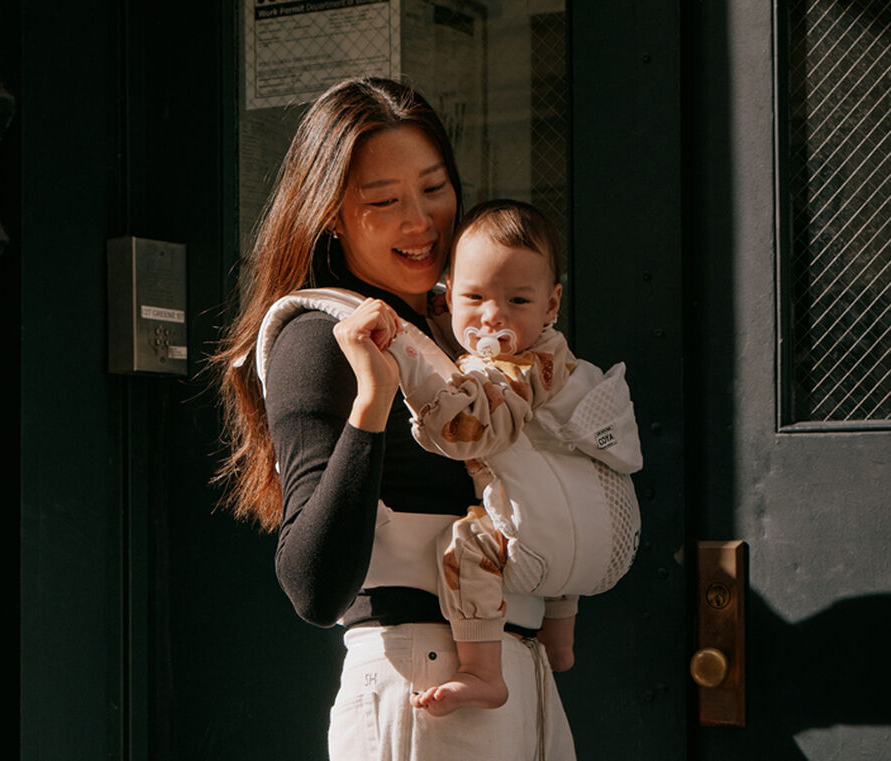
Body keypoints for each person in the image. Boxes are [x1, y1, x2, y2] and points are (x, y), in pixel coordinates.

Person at [212, 77, 574, 759]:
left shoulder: (462, 326)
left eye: (435, 188)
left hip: (515, 689)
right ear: (331, 215)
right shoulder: (322, 335)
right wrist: (371, 405)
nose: (422, 220)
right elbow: (312, 585)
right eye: (384, 201)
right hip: (423, 691)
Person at [388, 200, 643, 715]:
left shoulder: (520, 368)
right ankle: (559, 642)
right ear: (447, 296)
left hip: (545, 545)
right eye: (474, 297)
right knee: (554, 486)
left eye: (517, 300)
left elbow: (472, 434)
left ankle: (482, 672)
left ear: (552, 307)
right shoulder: (567, 361)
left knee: (466, 545)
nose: (492, 317)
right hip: (606, 542)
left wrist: (410, 364)